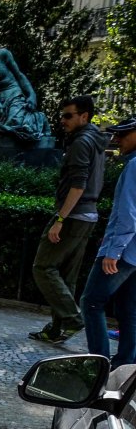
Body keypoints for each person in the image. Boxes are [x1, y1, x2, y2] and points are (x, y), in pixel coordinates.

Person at [29, 95, 109, 344]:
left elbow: (78, 184)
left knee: (43, 267)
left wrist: (60, 219)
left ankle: (72, 319)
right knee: (66, 275)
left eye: (68, 115)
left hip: (74, 214)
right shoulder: (95, 139)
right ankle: (57, 329)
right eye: (62, 115)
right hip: (88, 215)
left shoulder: (82, 142)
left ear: (84, 116)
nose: (62, 120)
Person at [79, 117, 136, 364]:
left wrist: (113, 251)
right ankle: (125, 367)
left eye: (122, 135)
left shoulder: (134, 166)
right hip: (133, 254)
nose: (115, 140)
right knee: (129, 310)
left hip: (123, 251)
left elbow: (128, 213)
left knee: (91, 302)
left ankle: (98, 365)